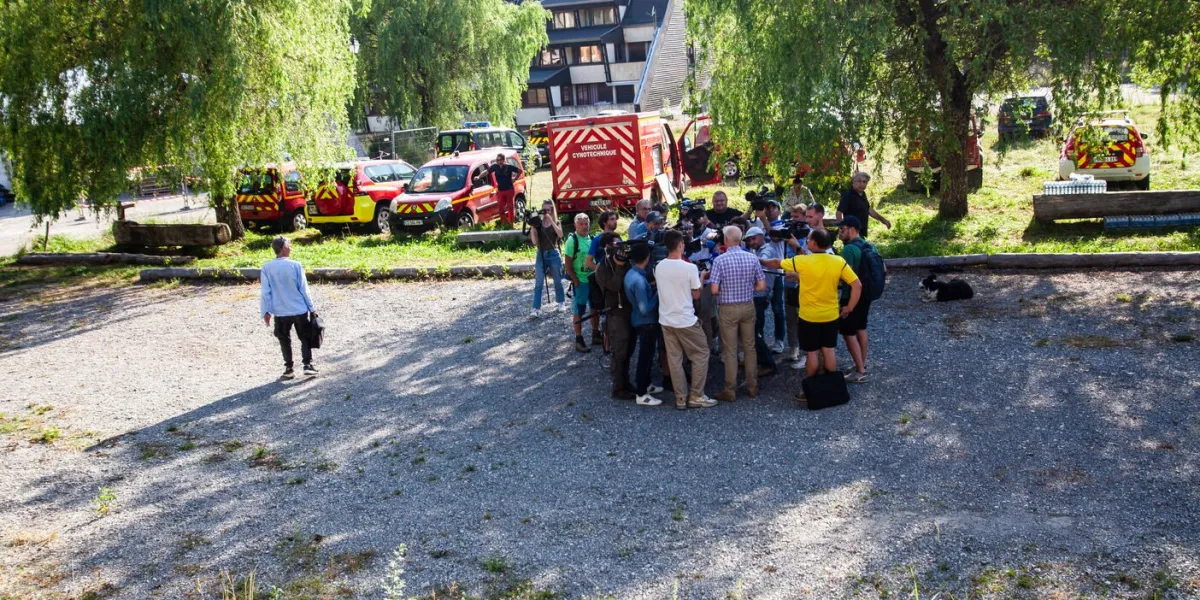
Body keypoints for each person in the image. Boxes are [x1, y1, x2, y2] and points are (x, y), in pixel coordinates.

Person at [766, 229, 862, 404]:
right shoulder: (838, 261)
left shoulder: (803, 261)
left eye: (809, 239)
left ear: (814, 243)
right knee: (829, 350)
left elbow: (775, 263)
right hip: (831, 315)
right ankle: (832, 388)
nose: (806, 242)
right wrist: (849, 307)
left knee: (812, 353)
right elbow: (857, 285)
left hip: (809, 316)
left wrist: (758, 260)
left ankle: (808, 390)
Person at [655, 230, 718, 410]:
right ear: (681, 245)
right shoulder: (689, 268)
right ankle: (697, 395)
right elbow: (696, 295)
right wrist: (702, 277)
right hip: (685, 319)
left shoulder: (659, 266)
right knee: (701, 353)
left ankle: (681, 397)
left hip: (666, 319)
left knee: (674, 359)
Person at [708, 226, 766, 402]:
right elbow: (761, 286)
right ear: (740, 240)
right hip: (748, 305)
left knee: (730, 350)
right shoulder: (752, 258)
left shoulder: (720, 261)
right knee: (750, 347)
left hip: (728, 308)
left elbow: (714, 289)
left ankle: (730, 389)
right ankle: (752, 386)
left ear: (726, 240)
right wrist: (748, 288)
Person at [260, 236, 318, 380]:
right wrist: (312, 308)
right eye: (289, 245)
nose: (291, 248)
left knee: (284, 339)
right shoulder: (295, 265)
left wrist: (266, 311)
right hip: (299, 308)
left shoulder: (267, 268)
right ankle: (307, 365)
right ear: (284, 247)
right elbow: (304, 289)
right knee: (305, 337)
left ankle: (289, 368)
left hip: (280, 311)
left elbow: (266, 292)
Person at [623, 242, 665, 406]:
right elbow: (645, 308)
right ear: (647, 258)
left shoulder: (631, 273)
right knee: (645, 357)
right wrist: (659, 292)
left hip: (637, 319)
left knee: (647, 355)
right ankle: (641, 394)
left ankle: (647, 384)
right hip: (646, 322)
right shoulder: (639, 280)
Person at [595, 233, 635, 400]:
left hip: (629, 311)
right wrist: (619, 266)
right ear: (607, 247)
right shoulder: (602, 267)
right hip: (615, 314)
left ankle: (625, 382)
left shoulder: (625, 260)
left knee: (629, 350)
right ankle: (618, 388)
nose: (620, 248)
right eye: (616, 245)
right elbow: (614, 286)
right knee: (619, 352)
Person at [836, 216, 872, 383]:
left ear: (851, 229)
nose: (839, 233)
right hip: (866, 294)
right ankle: (861, 364)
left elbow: (845, 276)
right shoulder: (867, 245)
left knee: (848, 332)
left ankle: (860, 371)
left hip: (851, 296)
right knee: (861, 328)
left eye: (842, 229)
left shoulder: (849, 250)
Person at [564, 213, 601, 352]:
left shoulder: (592, 239)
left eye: (586, 223)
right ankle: (579, 340)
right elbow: (567, 265)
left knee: (595, 307)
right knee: (579, 310)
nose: (584, 226)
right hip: (581, 282)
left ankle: (596, 334)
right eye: (581, 224)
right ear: (575, 225)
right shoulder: (572, 241)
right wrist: (575, 280)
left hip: (593, 280)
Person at [744, 227, 778, 377]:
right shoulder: (756, 250)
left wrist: (742, 257)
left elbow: (759, 262)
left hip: (760, 295)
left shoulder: (767, 250)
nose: (751, 242)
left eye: (753, 238)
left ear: (761, 236)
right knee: (756, 330)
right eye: (749, 240)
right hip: (757, 294)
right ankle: (757, 359)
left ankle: (768, 364)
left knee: (755, 332)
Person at [529, 200, 565, 318]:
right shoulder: (538, 223)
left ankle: (561, 302)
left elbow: (560, 235)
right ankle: (536, 308)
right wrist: (532, 228)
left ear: (552, 210)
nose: (545, 213)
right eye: (544, 210)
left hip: (553, 253)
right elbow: (534, 242)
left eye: (548, 210)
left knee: (558, 281)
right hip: (541, 254)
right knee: (538, 282)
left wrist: (551, 220)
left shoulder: (557, 222)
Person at [837, 171, 891, 238]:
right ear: (853, 182)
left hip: (861, 232)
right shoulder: (848, 196)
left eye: (864, 182)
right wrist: (841, 229)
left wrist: (883, 220)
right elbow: (838, 213)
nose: (862, 184)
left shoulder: (863, 194)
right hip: (851, 233)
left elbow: (869, 210)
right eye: (859, 181)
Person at [487, 153, 521, 224]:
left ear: (503, 160)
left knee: (510, 207)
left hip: (509, 190)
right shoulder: (495, 167)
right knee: (501, 208)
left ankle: (511, 223)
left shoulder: (508, 167)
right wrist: (478, 176)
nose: (497, 161)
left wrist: (515, 179)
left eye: (499, 160)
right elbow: (487, 171)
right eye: (497, 160)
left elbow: (519, 171)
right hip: (500, 191)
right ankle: (505, 223)